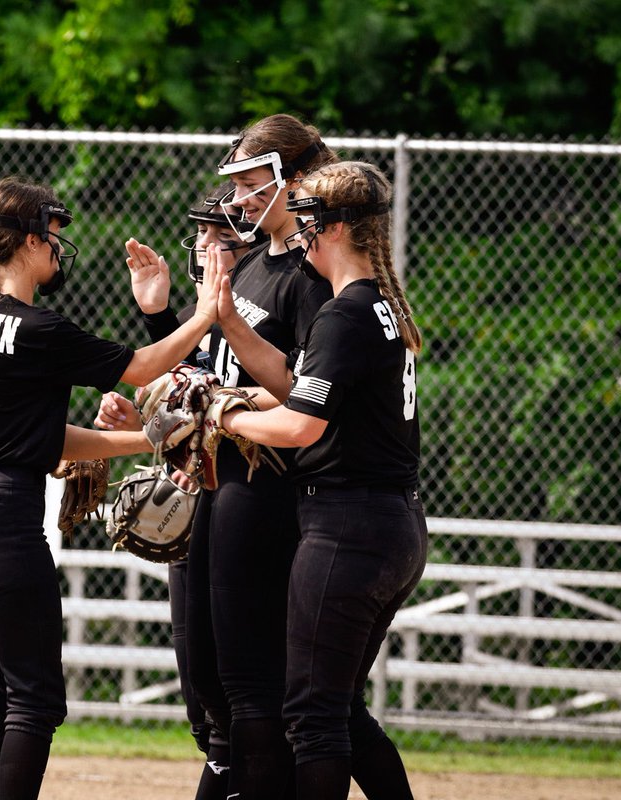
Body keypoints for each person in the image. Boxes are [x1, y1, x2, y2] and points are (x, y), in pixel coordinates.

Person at [0, 176, 225, 800]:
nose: (58, 251)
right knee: (36, 705)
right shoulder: (35, 326)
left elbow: (49, 439)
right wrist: (205, 312)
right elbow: (142, 368)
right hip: (4, 524)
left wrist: (147, 439)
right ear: (29, 242)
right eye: (54, 237)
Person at [97, 113, 336, 800]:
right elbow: (196, 375)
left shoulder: (310, 275)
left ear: (292, 180)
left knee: (252, 687)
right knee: (206, 683)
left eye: (249, 181)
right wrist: (159, 322)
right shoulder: (256, 264)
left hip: (266, 486)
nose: (234, 200)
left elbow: (303, 392)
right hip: (216, 481)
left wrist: (225, 400)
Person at [214, 161, 426, 799]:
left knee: (310, 715)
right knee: (337, 708)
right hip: (389, 524)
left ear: (333, 227)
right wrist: (238, 378)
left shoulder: (343, 314)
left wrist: (224, 417)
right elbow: (303, 392)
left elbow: (303, 425)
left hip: (347, 527)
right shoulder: (375, 304)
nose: (297, 233)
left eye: (307, 221)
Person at [95, 182, 266, 799]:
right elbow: (182, 392)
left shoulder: (262, 308)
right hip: (202, 504)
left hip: (247, 505)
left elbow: (227, 400)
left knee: (231, 697)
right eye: (200, 236)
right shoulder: (209, 311)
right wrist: (159, 318)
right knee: (199, 688)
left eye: (220, 238)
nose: (205, 248)